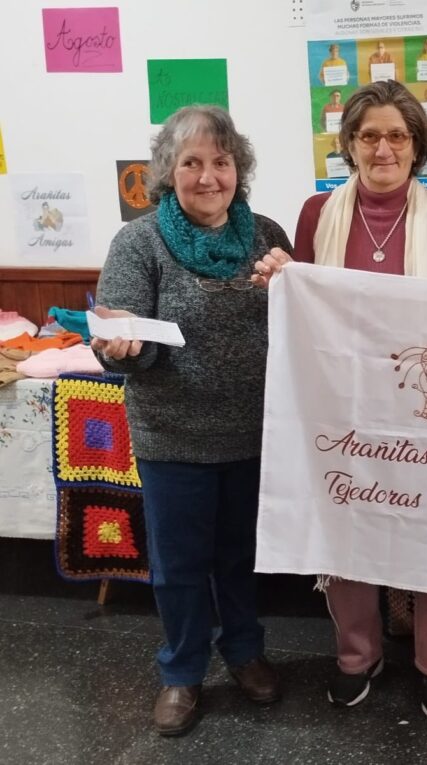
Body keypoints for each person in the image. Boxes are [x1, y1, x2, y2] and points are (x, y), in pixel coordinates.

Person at [253, 79, 427, 719]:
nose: (384, 147)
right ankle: (357, 656)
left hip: (424, 409)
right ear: (349, 144)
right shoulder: (317, 215)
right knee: (344, 526)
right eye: (369, 134)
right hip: (341, 405)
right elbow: (305, 311)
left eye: (397, 135)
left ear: (418, 145)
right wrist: (279, 279)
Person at [91, 105, 292, 736]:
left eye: (222, 162)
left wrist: (290, 287)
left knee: (238, 556)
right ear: (167, 172)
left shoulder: (265, 234)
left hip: (253, 433)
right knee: (178, 565)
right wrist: (124, 345)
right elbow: (120, 334)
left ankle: (243, 651)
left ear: (240, 169)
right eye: (192, 163)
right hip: (172, 436)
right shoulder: (138, 241)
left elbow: (300, 331)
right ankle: (180, 673)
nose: (209, 177)